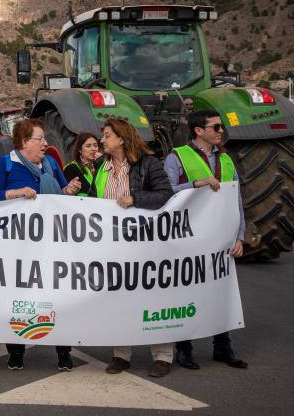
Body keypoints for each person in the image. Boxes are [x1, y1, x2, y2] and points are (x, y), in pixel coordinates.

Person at [0, 119, 81, 371]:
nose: (46, 144)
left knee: (58, 298)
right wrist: (14, 193)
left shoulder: (51, 164)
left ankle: (63, 352)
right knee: (18, 299)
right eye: (40, 139)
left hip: (53, 244)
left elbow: (58, 193)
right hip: (18, 248)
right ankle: (16, 352)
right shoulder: (4, 166)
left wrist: (68, 190)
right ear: (25, 143)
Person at [88, 118, 174, 378]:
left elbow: (165, 194)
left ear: (121, 139)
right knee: (118, 298)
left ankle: (162, 356)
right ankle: (121, 354)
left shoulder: (148, 164)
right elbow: (94, 201)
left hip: (144, 244)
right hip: (112, 246)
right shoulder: (100, 167)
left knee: (152, 297)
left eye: (106, 136)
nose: (101, 141)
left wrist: (136, 199)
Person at [164, 109, 248, 370]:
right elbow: (166, 194)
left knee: (220, 292)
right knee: (184, 293)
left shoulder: (226, 159)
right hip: (187, 238)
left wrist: (240, 236)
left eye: (221, 127)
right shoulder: (176, 157)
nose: (221, 131)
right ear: (199, 131)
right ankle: (184, 348)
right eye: (215, 127)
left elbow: (236, 201)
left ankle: (223, 347)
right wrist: (195, 184)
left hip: (220, 238)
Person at [63, 133, 101, 197]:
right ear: (80, 150)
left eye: (95, 145)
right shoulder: (71, 168)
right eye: (88, 146)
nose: (93, 149)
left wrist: (103, 163)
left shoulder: (102, 166)